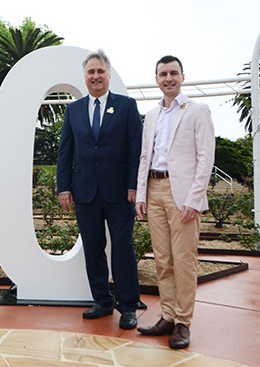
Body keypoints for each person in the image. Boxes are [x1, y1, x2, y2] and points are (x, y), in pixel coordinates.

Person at [57, 49, 143, 329]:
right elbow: (65, 152)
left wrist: (134, 186)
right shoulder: (73, 110)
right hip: (84, 192)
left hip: (120, 193)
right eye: (91, 71)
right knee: (93, 248)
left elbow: (136, 150)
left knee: (123, 248)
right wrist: (64, 188)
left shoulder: (127, 107)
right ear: (85, 76)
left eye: (100, 71)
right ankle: (102, 300)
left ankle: (128, 306)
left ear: (109, 75)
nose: (96, 76)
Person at [135, 55, 215, 349]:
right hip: (154, 189)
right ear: (156, 79)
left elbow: (205, 157)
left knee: (183, 260)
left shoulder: (198, 110)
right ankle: (167, 316)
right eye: (162, 74)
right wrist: (141, 195)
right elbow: (146, 156)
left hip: (182, 194)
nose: (168, 78)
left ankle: (183, 322)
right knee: (163, 259)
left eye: (173, 73)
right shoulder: (152, 115)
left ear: (182, 76)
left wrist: (195, 198)